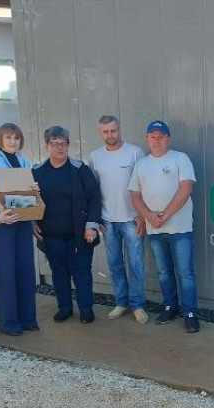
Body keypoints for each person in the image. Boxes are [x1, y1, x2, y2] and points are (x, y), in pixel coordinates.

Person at [129, 120, 200, 333]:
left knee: (185, 272)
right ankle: (170, 306)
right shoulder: (142, 164)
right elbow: (134, 195)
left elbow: (186, 189)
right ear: (147, 139)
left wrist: (165, 214)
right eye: (152, 137)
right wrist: (148, 217)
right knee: (163, 272)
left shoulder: (180, 159)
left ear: (168, 138)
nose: (156, 140)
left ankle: (190, 312)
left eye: (161, 136)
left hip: (179, 228)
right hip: (155, 229)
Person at [32, 126, 102, 324]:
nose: (59, 148)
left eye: (63, 144)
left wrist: (91, 225)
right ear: (47, 146)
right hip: (51, 236)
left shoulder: (80, 170)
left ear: (68, 145)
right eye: (54, 144)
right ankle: (64, 308)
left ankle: (86, 309)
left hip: (80, 235)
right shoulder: (37, 172)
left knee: (82, 273)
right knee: (59, 273)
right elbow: (28, 201)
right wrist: (32, 223)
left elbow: (94, 198)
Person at [0, 123, 39, 336]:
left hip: (22, 222)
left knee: (25, 270)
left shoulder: (24, 162)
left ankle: (28, 319)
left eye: (16, 138)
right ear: (0, 140)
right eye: (8, 138)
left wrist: (35, 191)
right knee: (7, 272)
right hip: (3, 224)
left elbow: (28, 196)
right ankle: (10, 323)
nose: (13, 141)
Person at [88, 115, 149, 323]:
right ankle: (121, 302)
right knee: (114, 264)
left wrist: (143, 215)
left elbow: (145, 186)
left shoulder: (135, 153)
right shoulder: (96, 157)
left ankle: (137, 305)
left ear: (119, 129)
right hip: (108, 221)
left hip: (132, 219)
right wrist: (96, 220)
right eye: (105, 131)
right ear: (100, 132)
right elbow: (93, 192)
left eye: (113, 130)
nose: (110, 135)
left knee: (136, 264)